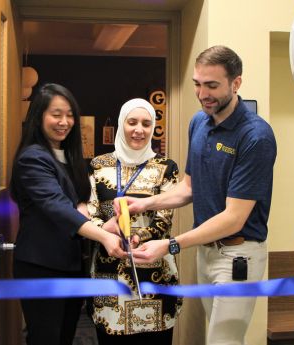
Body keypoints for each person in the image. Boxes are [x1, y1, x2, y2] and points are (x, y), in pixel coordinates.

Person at [129, 45, 277, 345]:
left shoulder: (255, 136)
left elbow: (234, 219)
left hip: (238, 255)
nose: (202, 93)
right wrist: (144, 203)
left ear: (236, 83)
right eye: (197, 84)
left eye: (212, 85)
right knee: (218, 337)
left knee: (224, 341)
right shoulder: (199, 122)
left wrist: (170, 245)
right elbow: (188, 188)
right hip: (205, 252)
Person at [10, 83, 127, 345]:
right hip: (41, 267)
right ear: (39, 116)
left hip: (71, 265)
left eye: (70, 115)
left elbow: (79, 205)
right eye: (56, 114)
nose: (64, 122)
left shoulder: (68, 156)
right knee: (45, 338)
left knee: (65, 336)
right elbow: (58, 207)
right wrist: (103, 237)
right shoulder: (32, 158)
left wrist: (103, 226)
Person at [86, 98, 182, 344]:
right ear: (122, 124)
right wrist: (104, 231)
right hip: (110, 269)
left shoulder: (166, 167)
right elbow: (90, 212)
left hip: (153, 271)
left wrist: (139, 236)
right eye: (132, 122)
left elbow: (164, 219)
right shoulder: (99, 165)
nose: (139, 129)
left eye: (146, 124)